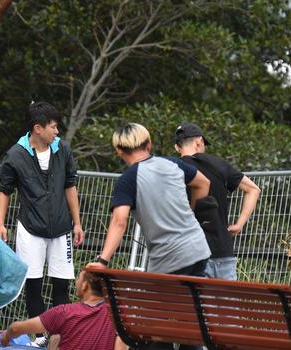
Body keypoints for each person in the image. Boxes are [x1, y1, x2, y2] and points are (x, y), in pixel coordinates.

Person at [88, 123, 211, 350]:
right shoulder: (173, 163)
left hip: (169, 259)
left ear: (119, 150)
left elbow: (119, 221)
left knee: (152, 326)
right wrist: (192, 213)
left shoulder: (128, 179)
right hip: (198, 250)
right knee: (188, 319)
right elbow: (204, 183)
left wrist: (102, 260)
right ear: (149, 144)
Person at [0, 101, 84, 346]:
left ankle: (63, 336)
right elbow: (4, 190)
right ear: (37, 128)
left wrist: (77, 223)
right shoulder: (15, 154)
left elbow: (70, 186)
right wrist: (1, 224)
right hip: (30, 228)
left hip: (61, 227)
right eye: (53, 127)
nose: (57, 132)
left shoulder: (62, 150)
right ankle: (40, 335)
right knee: (33, 284)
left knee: (61, 284)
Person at [174, 122, 261, 280]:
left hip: (189, 253)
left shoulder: (173, 169)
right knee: (227, 304)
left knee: (193, 303)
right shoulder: (218, 164)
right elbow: (253, 189)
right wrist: (239, 224)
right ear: (199, 141)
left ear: (177, 147)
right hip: (222, 249)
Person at [0, 269, 126, 350]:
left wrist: (7, 335)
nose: (76, 281)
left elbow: (16, 328)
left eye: (78, 278)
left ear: (85, 285)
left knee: (56, 337)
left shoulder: (65, 312)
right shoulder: (117, 314)